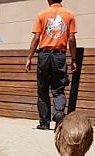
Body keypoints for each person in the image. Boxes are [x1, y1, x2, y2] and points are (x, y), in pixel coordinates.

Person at [24, 0, 77, 130]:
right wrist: (74, 59)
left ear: (48, 0)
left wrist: (29, 57)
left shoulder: (42, 14)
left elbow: (36, 38)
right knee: (59, 89)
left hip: (44, 55)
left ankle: (44, 123)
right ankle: (58, 113)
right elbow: (71, 39)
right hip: (59, 55)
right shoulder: (69, 14)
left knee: (42, 90)